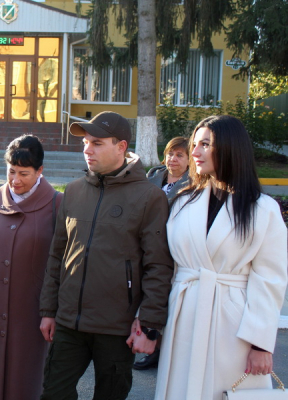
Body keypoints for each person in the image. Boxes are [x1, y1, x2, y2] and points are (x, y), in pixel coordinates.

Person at [39, 111, 174, 400]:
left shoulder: (150, 198)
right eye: (86, 142)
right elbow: (57, 255)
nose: (87, 149)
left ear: (121, 147)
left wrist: (149, 324)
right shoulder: (73, 192)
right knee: (53, 395)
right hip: (68, 325)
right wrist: (49, 311)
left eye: (97, 143)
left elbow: (159, 266)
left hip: (117, 330)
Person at [154, 115, 288, 400]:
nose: (195, 152)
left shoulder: (262, 210)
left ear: (229, 148)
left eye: (205, 144)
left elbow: (270, 280)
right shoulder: (182, 203)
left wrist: (261, 344)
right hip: (184, 317)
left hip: (234, 326)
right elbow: (168, 264)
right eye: (195, 144)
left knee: (225, 392)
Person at [0, 134, 63, 400]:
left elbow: (63, 263)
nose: (16, 180)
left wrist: (53, 311)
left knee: (26, 379)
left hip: (32, 311)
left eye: (24, 174)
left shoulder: (57, 204)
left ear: (40, 171)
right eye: (11, 172)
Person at [133, 136, 190, 371]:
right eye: (169, 154)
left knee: (166, 299)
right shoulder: (154, 175)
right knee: (147, 295)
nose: (172, 159)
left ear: (189, 160)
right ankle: (147, 340)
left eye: (179, 155)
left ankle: (159, 349)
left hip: (173, 247)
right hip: (147, 243)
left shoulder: (193, 183)